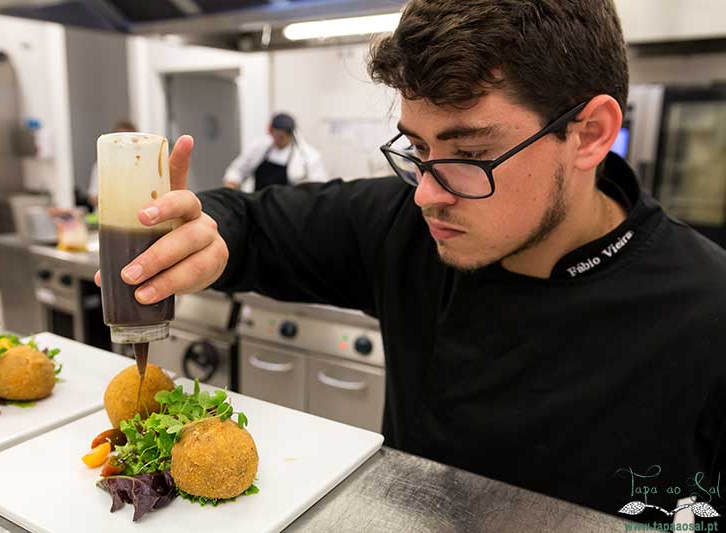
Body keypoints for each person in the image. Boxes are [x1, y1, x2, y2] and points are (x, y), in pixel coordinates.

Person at [97, 0, 726, 525]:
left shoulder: (706, 310)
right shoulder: (403, 225)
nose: (427, 193)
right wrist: (206, 233)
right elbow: (253, 223)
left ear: (589, 134)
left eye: (470, 153)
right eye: (417, 148)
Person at [223, 113, 329, 191]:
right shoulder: (258, 147)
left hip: (288, 210)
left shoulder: (308, 156)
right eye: (275, 135)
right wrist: (230, 186)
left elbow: (319, 187)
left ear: (291, 135)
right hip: (258, 204)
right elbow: (238, 170)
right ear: (270, 131)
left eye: (282, 137)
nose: (277, 140)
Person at [88, 120, 137, 208]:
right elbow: (93, 197)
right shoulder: (101, 164)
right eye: (119, 139)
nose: (124, 144)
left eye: (129, 140)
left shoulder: (141, 166)